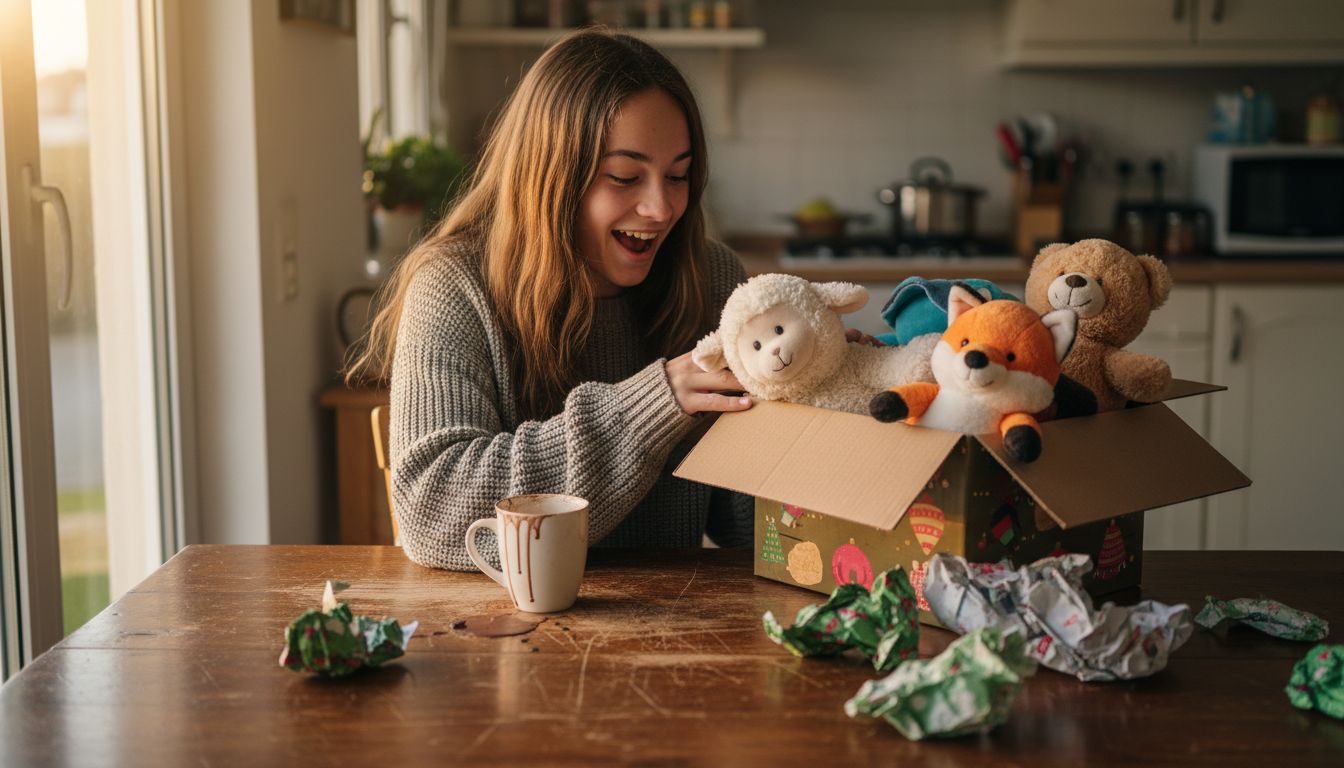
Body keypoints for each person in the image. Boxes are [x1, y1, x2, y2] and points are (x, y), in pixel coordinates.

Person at [348, 29, 760, 571]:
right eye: (625, 176)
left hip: (677, 628)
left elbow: (744, 527)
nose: (661, 208)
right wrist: (654, 406)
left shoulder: (712, 279)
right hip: (502, 636)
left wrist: (808, 400)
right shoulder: (453, 288)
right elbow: (432, 512)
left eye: (678, 175)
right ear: (552, 176)